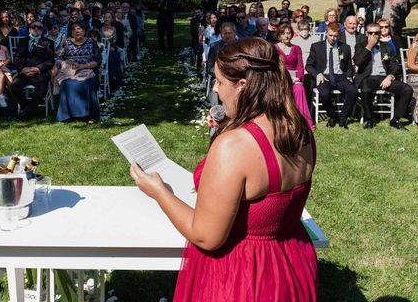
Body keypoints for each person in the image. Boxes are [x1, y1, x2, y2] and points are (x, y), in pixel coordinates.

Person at [130, 37, 317, 301]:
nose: (216, 89)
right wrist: (231, 125)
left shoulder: (235, 147)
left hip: (243, 275)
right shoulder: (299, 129)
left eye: (219, 81)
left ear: (242, 85)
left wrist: (159, 191)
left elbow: (207, 236)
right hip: (289, 264)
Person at [353, 23, 413, 130]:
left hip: (384, 77)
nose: (374, 35)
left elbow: (394, 66)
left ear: (380, 34)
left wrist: (390, 76)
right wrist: (369, 46)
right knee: (365, 89)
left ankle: (395, 120)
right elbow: (358, 61)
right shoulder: (360, 45)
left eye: (376, 33)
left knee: (407, 89)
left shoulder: (387, 47)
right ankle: (370, 119)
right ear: (367, 33)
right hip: (368, 77)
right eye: (371, 33)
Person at [305, 22, 357, 128]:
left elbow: (349, 66)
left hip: (340, 77)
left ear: (339, 35)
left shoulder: (345, 48)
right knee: (324, 93)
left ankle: (343, 117)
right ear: (326, 33)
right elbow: (309, 66)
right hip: (324, 76)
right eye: (330, 35)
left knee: (353, 91)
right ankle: (332, 116)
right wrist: (317, 74)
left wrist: (349, 75)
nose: (333, 38)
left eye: (335, 36)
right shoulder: (317, 47)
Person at [54, 22, 101, 123]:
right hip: (70, 71)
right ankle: (67, 115)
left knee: (87, 84)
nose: (76, 31)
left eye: (79, 29)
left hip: (88, 70)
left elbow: (97, 60)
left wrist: (83, 66)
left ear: (84, 31)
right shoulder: (66, 42)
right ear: (71, 32)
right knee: (66, 84)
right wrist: (66, 63)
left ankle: (91, 115)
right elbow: (58, 59)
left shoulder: (91, 42)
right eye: (74, 29)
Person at [10, 21, 55, 120]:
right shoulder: (23, 41)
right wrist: (22, 69)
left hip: (40, 73)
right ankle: (29, 109)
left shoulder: (48, 43)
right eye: (33, 27)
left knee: (39, 92)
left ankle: (26, 113)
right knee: (14, 87)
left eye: (39, 27)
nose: (36, 29)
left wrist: (37, 69)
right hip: (24, 72)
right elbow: (17, 58)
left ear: (42, 30)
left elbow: (50, 60)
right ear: (29, 29)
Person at [274, 24, 315, 129]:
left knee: (299, 89)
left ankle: (304, 121)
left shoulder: (297, 48)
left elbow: (300, 66)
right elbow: (274, 66)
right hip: (280, 77)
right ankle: (283, 120)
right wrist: (282, 77)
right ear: (279, 35)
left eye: (288, 33)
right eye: (283, 33)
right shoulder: (275, 48)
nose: (286, 36)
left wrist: (298, 78)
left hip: (294, 77)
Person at [206, 23, 237, 105]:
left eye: (230, 33)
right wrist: (221, 75)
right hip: (220, 77)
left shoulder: (242, 46)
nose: (228, 36)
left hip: (237, 76)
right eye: (225, 33)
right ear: (221, 34)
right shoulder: (214, 47)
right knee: (217, 89)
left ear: (235, 32)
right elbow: (209, 68)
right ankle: (217, 112)